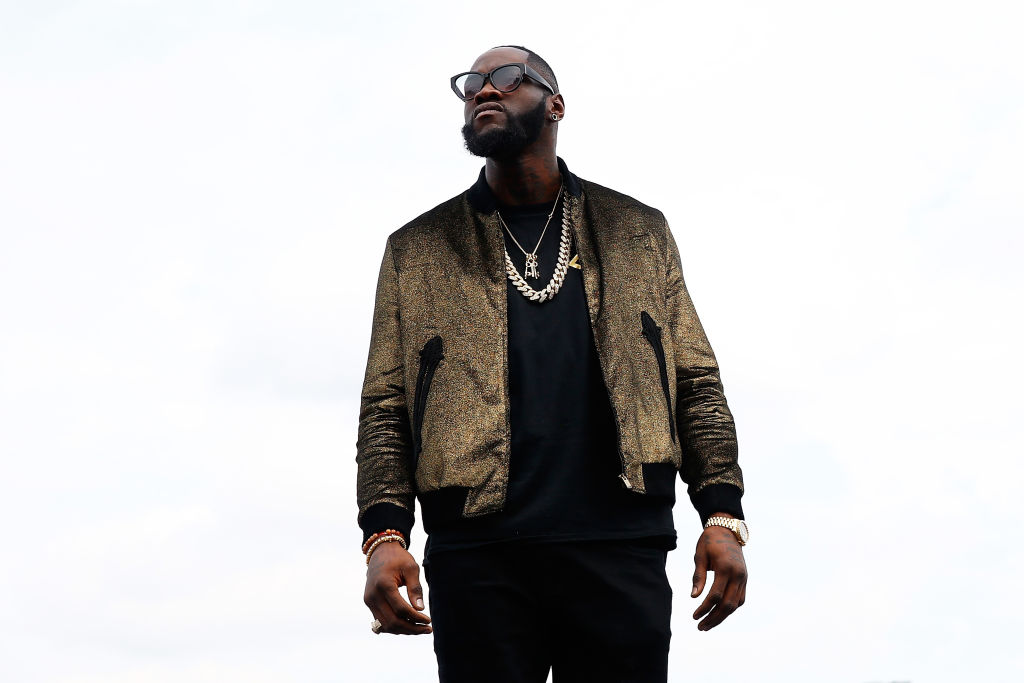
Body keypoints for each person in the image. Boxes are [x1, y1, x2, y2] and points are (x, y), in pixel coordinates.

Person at [356, 45, 748, 682]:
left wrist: (722, 515)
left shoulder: (637, 231)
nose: (484, 91)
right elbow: (386, 409)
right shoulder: (418, 249)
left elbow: (695, 382)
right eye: (472, 83)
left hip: (619, 545)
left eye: (508, 78)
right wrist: (384, 535)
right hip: (477, 554)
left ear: (555, 105)